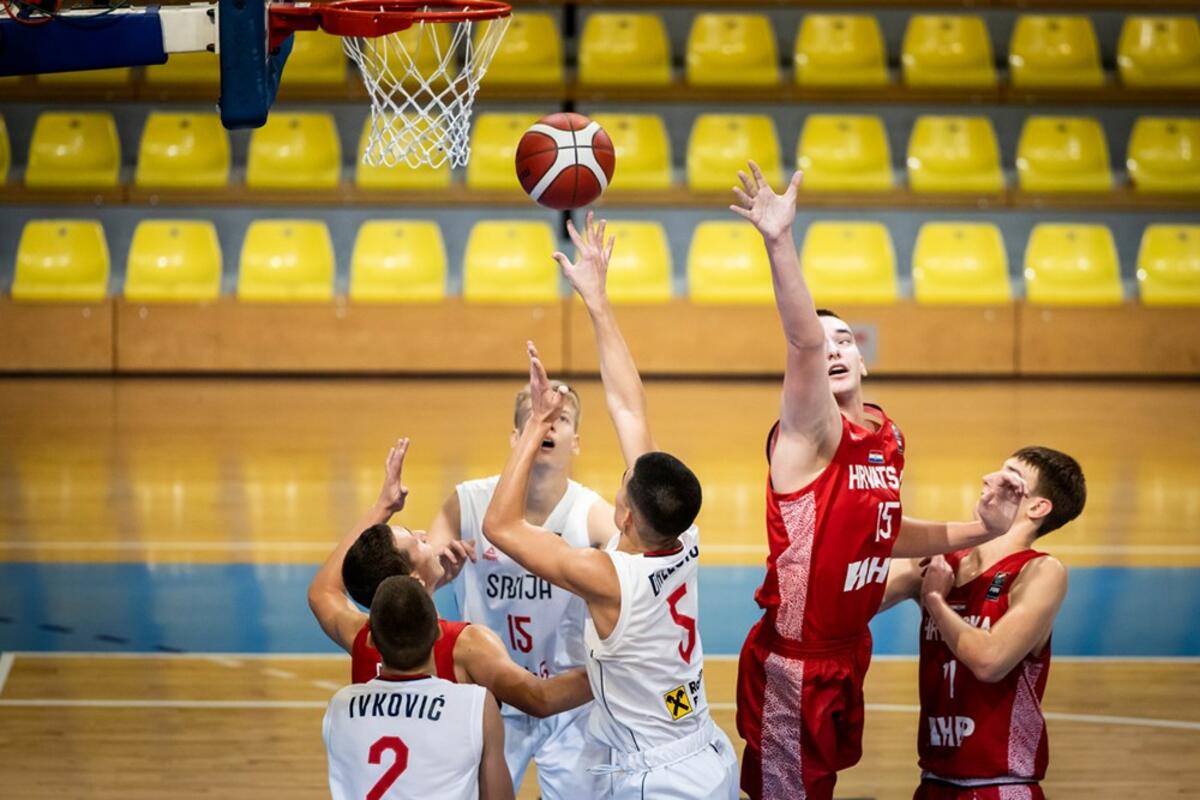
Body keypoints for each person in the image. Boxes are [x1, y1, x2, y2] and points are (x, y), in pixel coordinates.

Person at [730, 162, 1028, 800]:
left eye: (844, 340)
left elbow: (882, 534)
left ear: (862, 357)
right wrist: (779, 242)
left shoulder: (887, 436)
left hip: (848, 650)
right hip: (795, 664)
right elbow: (803, 344)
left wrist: (983, 528)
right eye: (823, 343)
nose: (832, 349)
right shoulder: (809, 434)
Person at [482, 213, 739, 799]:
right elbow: (629, 406)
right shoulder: (682, 535)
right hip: (706, 751)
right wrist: (597, 301)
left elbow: (500, 525)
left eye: (622, 486)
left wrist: (536, 426)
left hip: (661, 780)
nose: (620, 479)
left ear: (625, 516)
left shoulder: (608, 577)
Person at [426, 363, 620, 797]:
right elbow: (419, 582)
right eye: (537, 416)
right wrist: (438, 573)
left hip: (568, 700)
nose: (548, 426)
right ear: (517, 438)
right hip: (488, 695)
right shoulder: (467, 502)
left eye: (560, 418)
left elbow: (638, 576)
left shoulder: (592, 514)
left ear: (576, 440)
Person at [307, 437, 593, 718]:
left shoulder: (361, 638)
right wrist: (610, 669)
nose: (423, 535)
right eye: (416, 542)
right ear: (414, 579)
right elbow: (541, 699)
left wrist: (383, 507)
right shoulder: (465, 646)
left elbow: (323, 592)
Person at [882, 446, 1085, 800]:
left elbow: (990, 661)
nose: (990, 480)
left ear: (1037, 507)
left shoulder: (1040, 571)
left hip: (1001, 786)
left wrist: (935, 601)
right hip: (933, 782)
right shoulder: (939, 564)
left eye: (1010, 479)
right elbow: (847, 605)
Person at [323, 574, 514, 800]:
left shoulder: (340, 706)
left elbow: (322, 593)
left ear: (371, 640)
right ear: (438, 632)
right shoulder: (476, 705)